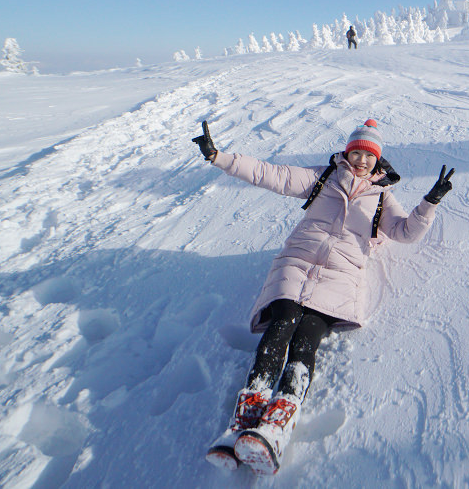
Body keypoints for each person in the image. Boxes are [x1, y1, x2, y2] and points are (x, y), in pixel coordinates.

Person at [194, 119, 454, 475]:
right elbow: (272, 174)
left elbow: (405, 232)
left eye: (368, 155)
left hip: (340, 279)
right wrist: (218, 156)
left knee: (307, 338)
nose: (361, 160)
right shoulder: (322, 178)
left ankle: (277, 424)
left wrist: (429, 203)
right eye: (356, 152)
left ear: (377, 161)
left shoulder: (382, 198)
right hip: (296, 262)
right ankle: (243, 419)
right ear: (347, 153)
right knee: (281, 322)